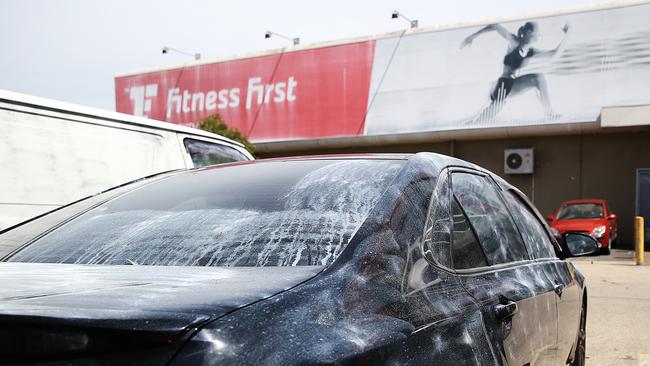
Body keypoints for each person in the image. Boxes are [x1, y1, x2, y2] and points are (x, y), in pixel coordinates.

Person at [460, 21, 569, 124]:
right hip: (502, 85)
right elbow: (495, 26)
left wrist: (566, 35)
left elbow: (553, 54)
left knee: (539, 78)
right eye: (538, 32)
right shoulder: (514, 42)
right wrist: (472, 37)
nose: (540, 35)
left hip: (512, 85)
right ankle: (471, 122)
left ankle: (549, 113)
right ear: (529, 32)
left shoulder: (531, 51)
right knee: (482, 120)